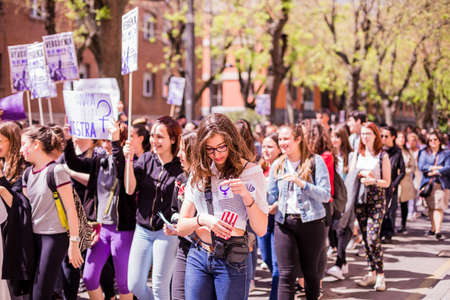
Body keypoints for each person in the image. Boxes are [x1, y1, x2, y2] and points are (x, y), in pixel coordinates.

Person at [177, 113, 268, 300]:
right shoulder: (199, 170)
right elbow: (181, 227)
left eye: (221, 147)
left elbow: (261, 229)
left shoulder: (251, 172)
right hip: (198, 255)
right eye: (210, 149)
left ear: (232, 142)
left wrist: (245, 195)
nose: (216, 155)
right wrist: (203, 219)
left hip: (232, 258)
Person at [63, 122, 135, 300]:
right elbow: (74, 163)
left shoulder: (128, 161)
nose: (104, 145)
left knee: (124, 283)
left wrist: (116, 142)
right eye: (103, 140)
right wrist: (67, 142)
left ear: (121, 141)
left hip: (122, 229)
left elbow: (119, 168)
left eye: (109, 141)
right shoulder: (99, 160)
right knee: (89, 277)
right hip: (100, 228)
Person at [121, 116, 183, 300]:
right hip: (142, 230)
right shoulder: (146, 159)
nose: (154, 141)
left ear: (173, 139)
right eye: (153, 136)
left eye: (160, 137)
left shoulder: (181, 166)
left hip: (166, 232)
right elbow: (129, 189)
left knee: (159, 287)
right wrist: (128, 161)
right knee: (134, 284)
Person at [267, 123, 331, 300]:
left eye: (286, 138)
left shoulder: (315, 161)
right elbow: (270, 196)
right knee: (285, 274)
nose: (282, 143)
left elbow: (326, 195)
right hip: (284, 223)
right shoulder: (278, 165)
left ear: (298, 139)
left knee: (310, 272)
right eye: (280, 139)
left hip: (311, 223)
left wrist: (301, 183)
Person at [20, 126, 84, 300]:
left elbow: (71, 210)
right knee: (33, 292)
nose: (20, 150)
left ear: (36, 144)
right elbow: (26, 210)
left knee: (41, 293)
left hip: (54, 237)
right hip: (33, 237)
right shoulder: (27, 174)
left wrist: (74, 244)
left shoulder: (57, 171)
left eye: (23, 144)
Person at [352, 122, 391, 291]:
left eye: (368, 133)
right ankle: (371, 272)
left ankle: (381, 274)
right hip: (360, 200)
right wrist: (361, 174)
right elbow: (352, 174)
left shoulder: (382, 156)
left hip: (376, 200)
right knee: (365, 238)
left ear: (375, 135)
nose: (365, 137)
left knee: (373, 237)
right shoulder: (357, 154)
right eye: (363, 133)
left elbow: (387, 182)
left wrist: (373, 180)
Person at [163, 131, 197, 300]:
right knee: (177, 295)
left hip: (203, 250)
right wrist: (173, 225)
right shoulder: (180, 179)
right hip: (184, 247)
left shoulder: (207, 181)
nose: (178, 155)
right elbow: (174, 210)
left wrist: (185, 227)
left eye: (183, 150)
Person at [0, 122, 31, 299]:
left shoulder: (23, 168)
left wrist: (2, 183)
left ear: (12, 141)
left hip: (17, 236)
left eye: (0, 140)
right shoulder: (4, 163)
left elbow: (20, 205)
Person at [327, 124, 354, 280]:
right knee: (333, 232)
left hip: (346, 198)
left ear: (343, 138)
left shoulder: (350, 156)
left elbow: (350, 181)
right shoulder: (330, 155)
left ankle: (339, 262)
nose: (334, 139)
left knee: (341, 230)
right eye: (332, 136)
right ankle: (343, 262)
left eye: (337, 136)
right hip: (333, 198)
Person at [258, 133, 282, 300]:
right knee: (266, 257)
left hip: (278, 219)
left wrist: (277, 205)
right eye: (264, 146)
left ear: (279, 149)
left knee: (276, 264)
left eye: (270, 147)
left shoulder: (283, 166)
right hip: (261, 218)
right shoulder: (259, 167)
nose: (266, 150)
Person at [418, 130, 450, 240]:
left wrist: (436, 171)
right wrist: (435, 167)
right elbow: (421, 166)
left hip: (441, 183)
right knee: (431, 207)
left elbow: (448, 167)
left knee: (438, 207)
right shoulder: (423, 152)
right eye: (430, 140)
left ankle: (438, 231)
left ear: (440, 141)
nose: (433, 142)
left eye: (435, 139)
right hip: (428, 183)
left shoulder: (446, 153)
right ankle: (433, 228)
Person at [380, 126, 405, 243]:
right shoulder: (378, 150)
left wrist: (394, 184)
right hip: (379, 185)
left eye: (386, 136)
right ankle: (379, 233)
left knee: (390, 211)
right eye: (382, 136)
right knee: (380, 211)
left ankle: (388, 233)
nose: (383, 138)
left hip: (392, 186)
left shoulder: (397, 152)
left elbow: (402, 171)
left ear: (393, 137)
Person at [396, 131, 417, 234]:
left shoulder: (408, 152)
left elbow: (413, 166)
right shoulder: (392, 151)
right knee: (392, 206)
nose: (401, 140)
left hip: (405, 181)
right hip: (394, 181)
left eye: (403, 138)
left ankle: (403, 225)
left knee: (404, 204)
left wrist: (404, 172)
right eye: (399, 138)